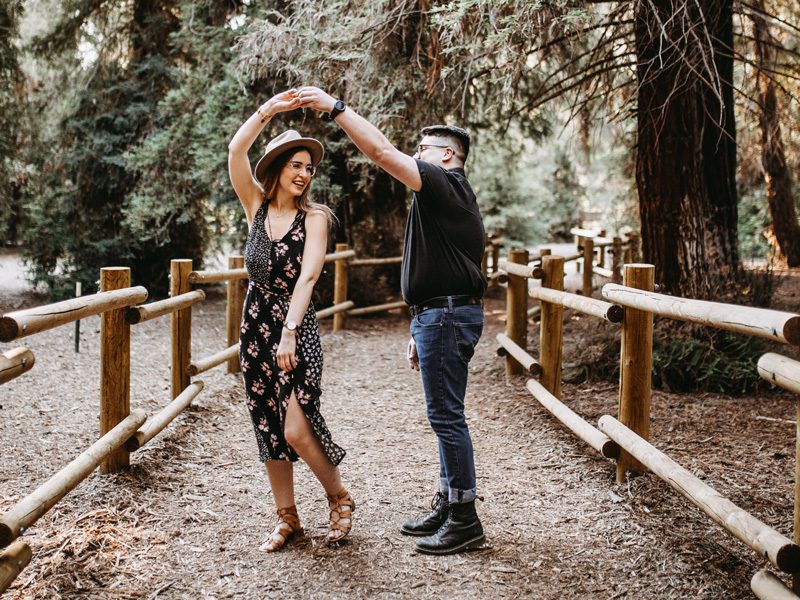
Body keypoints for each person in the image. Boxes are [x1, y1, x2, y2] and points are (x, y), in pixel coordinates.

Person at [292, 87, 487, 555]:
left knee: (447, 416)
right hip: (438, 315)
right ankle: (447, 502)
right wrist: (419, 323)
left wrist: (335, 108)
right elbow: (437, 266)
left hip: (446, 315)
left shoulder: (447, 183)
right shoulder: (443, 197)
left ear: (446, 155)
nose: (414, 158)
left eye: (422, 152)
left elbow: (380, 152)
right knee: (444, 415)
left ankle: (465, 519)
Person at [228, 90, 354, 552]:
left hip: (294, 329)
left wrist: (289, 332)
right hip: (254, 327)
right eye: (295, 165)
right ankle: (288, 518)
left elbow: (309, 276)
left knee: (296, 428)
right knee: (266, 424)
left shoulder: (315, 217)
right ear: (277, 169)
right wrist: (271, 111)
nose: (304, 174)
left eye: (309, 167)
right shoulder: (255, 208)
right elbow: (235, 150)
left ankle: (339, 498)